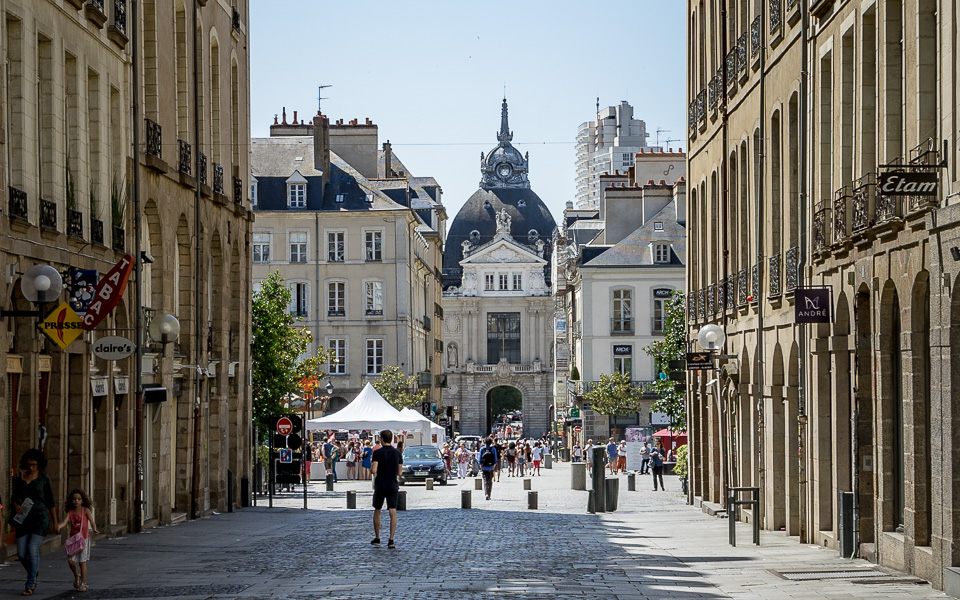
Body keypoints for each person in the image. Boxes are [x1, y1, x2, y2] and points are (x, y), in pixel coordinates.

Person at [12, 449, 58, 596]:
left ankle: (30, 584)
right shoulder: (19, 478)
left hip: (40, 518)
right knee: (21, 553)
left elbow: (51, 502)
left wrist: (55, 522)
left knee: (32, 550)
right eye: (29, 465)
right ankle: (34, 571)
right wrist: (16, 506)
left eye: (34, 465)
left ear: (39, 465)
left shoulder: (44, 479)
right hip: (23, 519)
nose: (31, 468)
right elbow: (13, 497)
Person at [56, 488, 99, 592]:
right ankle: (77, 575)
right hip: (73, 540)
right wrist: (59, 526)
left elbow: (92, 522)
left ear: (82, 501)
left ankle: (83, 584)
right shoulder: (70, 512)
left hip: (84, 539)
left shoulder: (86, 511)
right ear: (72, 500)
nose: (76, 501)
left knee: (82, 562)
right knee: (70, 561)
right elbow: (65, 522)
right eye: (74, 499)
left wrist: (94, 529)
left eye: (79, 499)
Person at [370, 429, 403, 549]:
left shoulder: (377, 453)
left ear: (382, 439)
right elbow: (400, 472)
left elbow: (374, 470)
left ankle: (377, 538)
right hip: (393, 484)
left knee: (377, 510)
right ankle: (391, 539)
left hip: (380, 484)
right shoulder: (398, 453)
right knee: (392, 511)